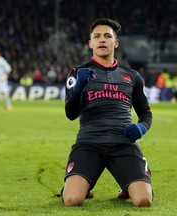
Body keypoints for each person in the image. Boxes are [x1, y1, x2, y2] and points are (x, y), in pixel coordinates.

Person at [62, 18, 153, 207]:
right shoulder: (78, 73)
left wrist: (142, 127)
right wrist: (79, 88)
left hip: (123, 143)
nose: (102, 40)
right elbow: (70, 114)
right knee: (72, 200)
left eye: (107, 36)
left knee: (143, 200)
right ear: (90, 43)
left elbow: (146, 113)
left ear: (115, 42)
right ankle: (78, 185)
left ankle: (129, 184)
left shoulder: (132, 76)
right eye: (97, 36)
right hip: (89, 142)